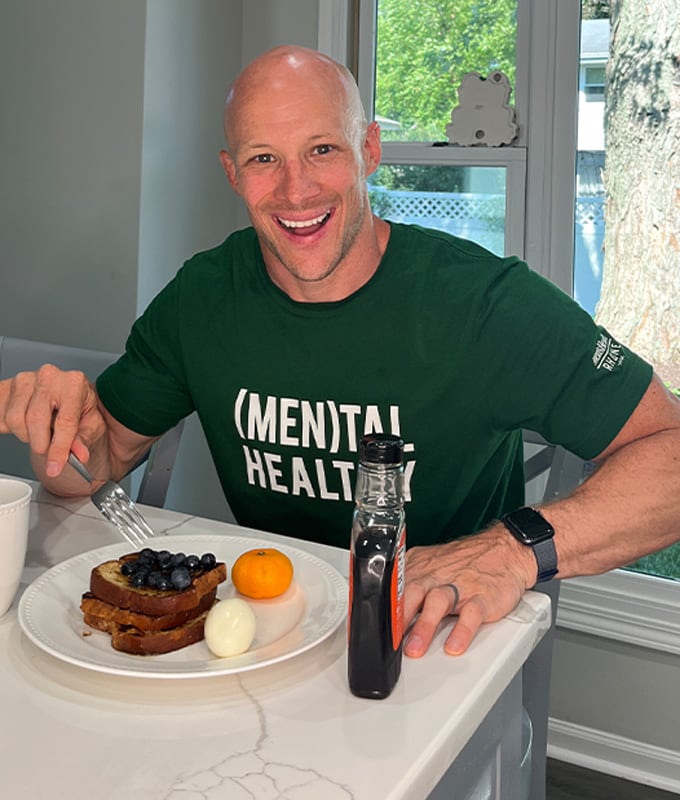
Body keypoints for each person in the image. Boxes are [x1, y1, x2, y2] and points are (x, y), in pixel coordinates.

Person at [1, 46, 679, 660]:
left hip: (440, 642)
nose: (296, 190)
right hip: (274, 639)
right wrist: (63, 435)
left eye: (322, 149)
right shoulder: (201, 297)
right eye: (265, 158)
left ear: (370, 149)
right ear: (233, 172)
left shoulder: (484, 304)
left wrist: (512, 548)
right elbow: (90, 471)